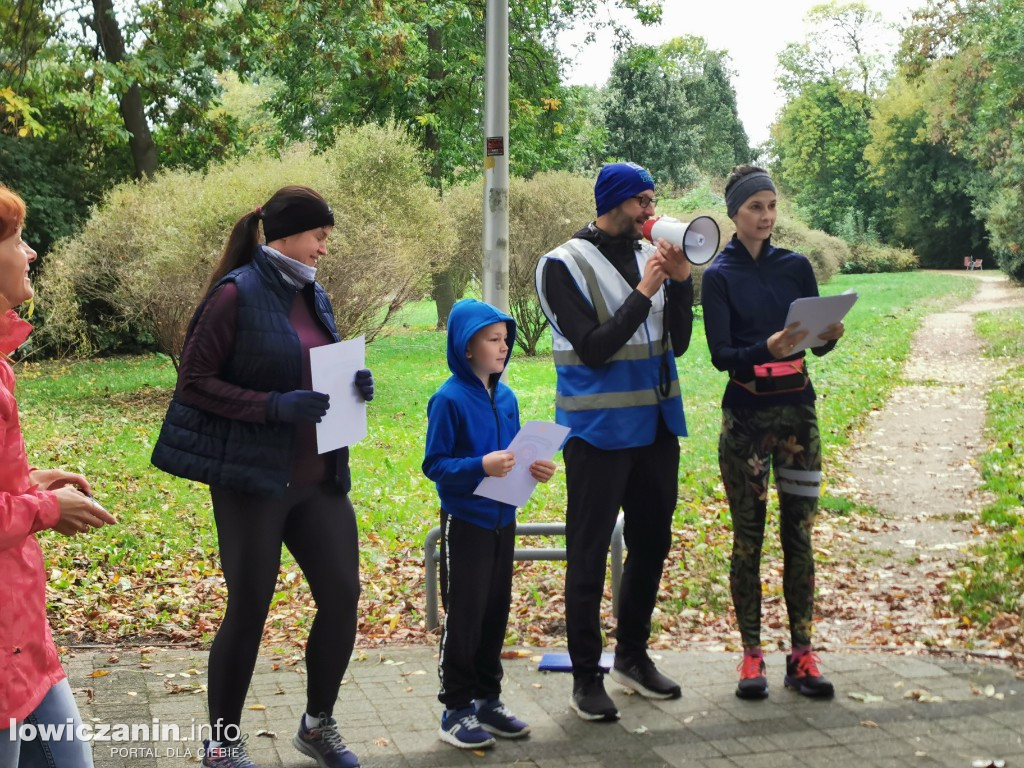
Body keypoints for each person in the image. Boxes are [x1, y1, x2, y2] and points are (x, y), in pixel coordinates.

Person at [151, 186, 374, 768]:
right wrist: (273, 406)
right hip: (253, 481)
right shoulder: (236, 293)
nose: (326, 248)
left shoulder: (312, 292)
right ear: (290, 234)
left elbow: (312, 363)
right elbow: (195, 382)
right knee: (249, 607)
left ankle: (317, 725)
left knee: (343, 596)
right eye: (320, 236)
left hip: (319, 479)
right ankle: (221, 744)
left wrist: (354, 385)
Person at [534, 162, 693, 721]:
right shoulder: (560, 265)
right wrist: (647, 286)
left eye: (653, 201)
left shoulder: (650, 254)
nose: (651, 212)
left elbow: (682, 343)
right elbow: (596, 347)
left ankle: (631, 657)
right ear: (615, 202)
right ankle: (585, 677)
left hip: (654, 429)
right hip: (598, 435)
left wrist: (681, 283)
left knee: (652, 545)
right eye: (642, 202)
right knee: (587, 555)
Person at [701, 166, 843, 701]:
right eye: (755, 207)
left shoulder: (796, 267)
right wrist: (769, 347)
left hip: (797, 418)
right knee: (748, 539)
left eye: (771, 206)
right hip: (745, 421)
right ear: (735, 213)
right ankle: (752, 656)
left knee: (800, 536)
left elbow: (816, 343)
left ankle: (803, 654)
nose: (765, 216)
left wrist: (828, 336)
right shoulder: (718, 275)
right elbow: (720, 356)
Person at [0, 184, 117, 768]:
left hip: (25, 635)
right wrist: (47, 510)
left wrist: (35, 481)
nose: (31, 253)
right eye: (18, 239)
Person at [422, 298, 556, 750]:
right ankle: (455, 709)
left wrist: (535, 467)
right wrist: (481, 464)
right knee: (465, 614)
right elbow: (435, 465)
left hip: (505, 519)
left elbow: (514, 456)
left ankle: (487, 698)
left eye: (505, 340)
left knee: (496, 609)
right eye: (493, 340)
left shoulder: (508, 396)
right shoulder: (448, 399)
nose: (503, 348)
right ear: (466, 348)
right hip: (467, 521)